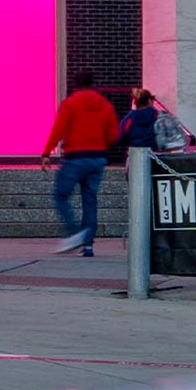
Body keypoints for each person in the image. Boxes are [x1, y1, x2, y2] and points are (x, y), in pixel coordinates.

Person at [43, 70, 119, 257]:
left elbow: (58, 129)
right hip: (97, 158)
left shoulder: (70, 103)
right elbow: (114, 135)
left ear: (75, 84)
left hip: (75, 157)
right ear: (93, 83)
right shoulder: (106, 105)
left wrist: (46, 152)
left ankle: (74, 233)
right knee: (90, 200)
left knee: (61, 195)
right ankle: (88, 245)